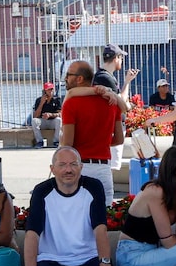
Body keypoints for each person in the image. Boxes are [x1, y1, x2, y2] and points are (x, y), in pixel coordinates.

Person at [60, 61, 123, 206]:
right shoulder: (111, 102)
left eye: (68, 75)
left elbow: (68, 144)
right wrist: (101, 143)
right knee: (104, 217)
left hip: (80, 167)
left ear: (79, 79)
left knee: (76, 217)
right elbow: (119, 139)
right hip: (104, 169)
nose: (65, 79)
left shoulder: (71, 103)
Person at [94, 43, 137, 171]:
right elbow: (122, 103)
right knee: (111, 167)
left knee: (111, 165)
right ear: (116, 58)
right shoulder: (105, 78)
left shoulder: (103, 76)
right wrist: (127, 82)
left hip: (111, 126)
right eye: (121, 57)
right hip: (111, 126)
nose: (122, 61)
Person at [29, 82, 62, 148]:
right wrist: (41, 103)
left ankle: (56, 141)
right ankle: (40, 141)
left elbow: (60, 114)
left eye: (52, 89)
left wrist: (51, 115)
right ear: (45, 91)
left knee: (59, 120)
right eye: (49, 89)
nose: (51, 91)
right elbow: (35, 116)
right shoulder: (39, 100)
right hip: (43, 121)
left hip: (52, 121)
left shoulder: (57, 100)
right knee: (34, 121)